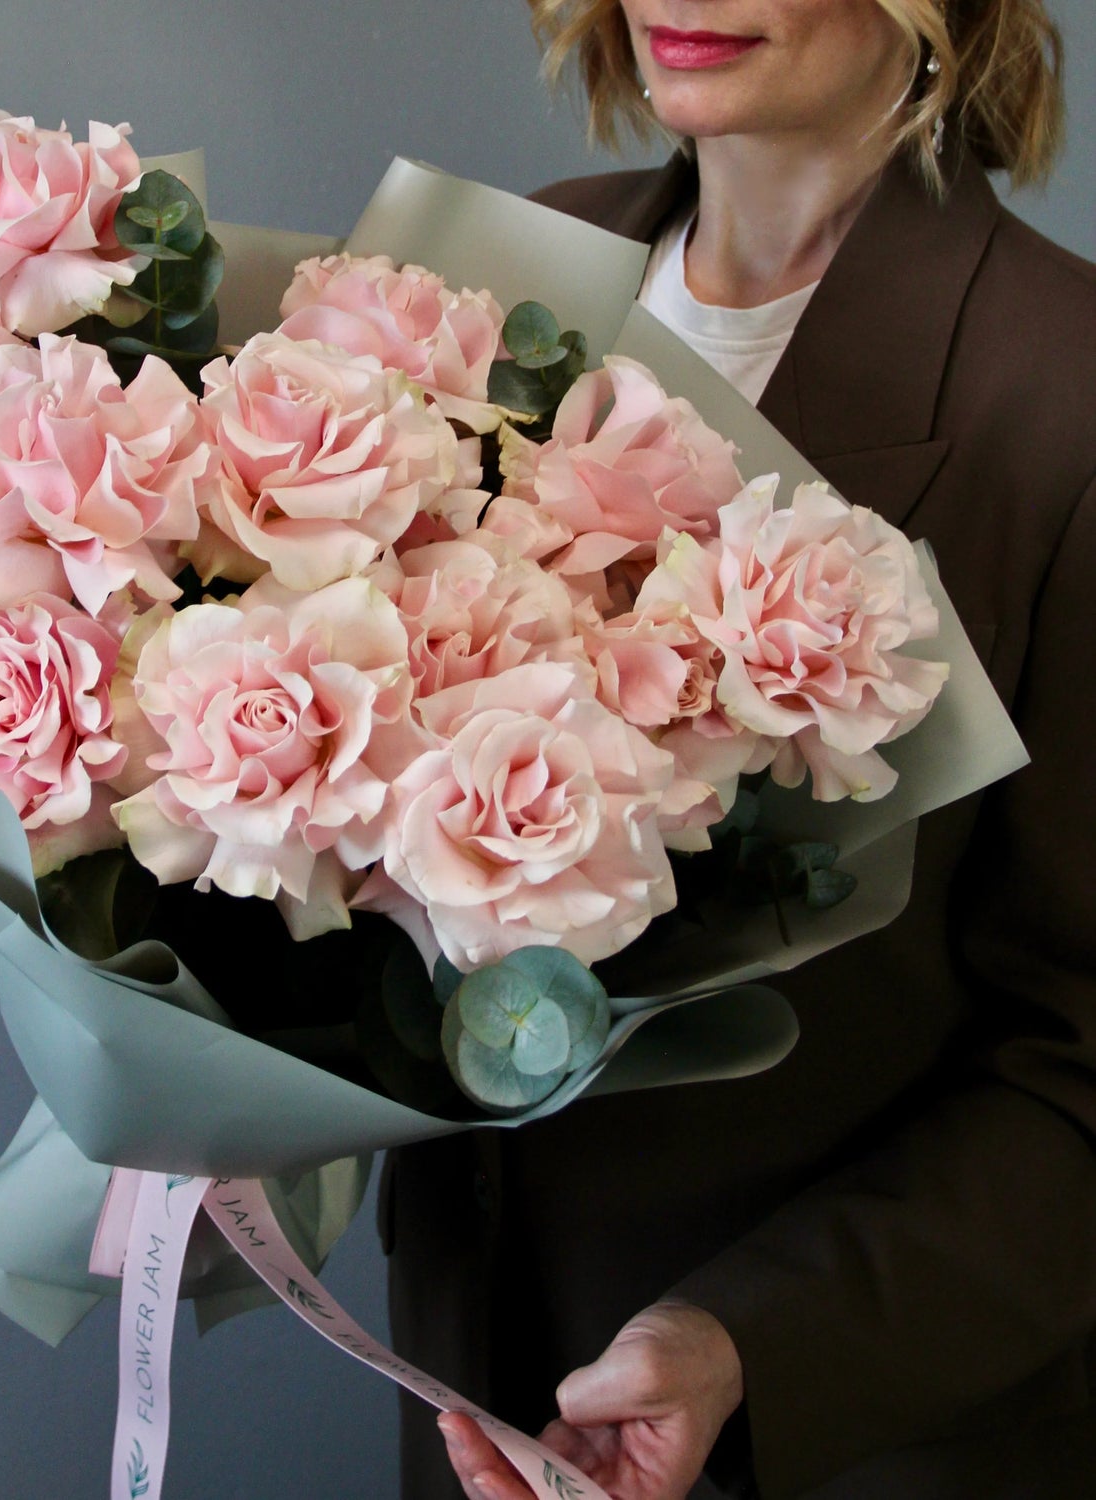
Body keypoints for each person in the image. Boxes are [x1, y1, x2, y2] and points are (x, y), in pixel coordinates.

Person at [383, 2, 1096, 1496]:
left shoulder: (1069, 392)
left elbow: (1077, 1069)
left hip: (848, 1431)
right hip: (468, 1391)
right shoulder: (476, 285)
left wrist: (749, 1342)